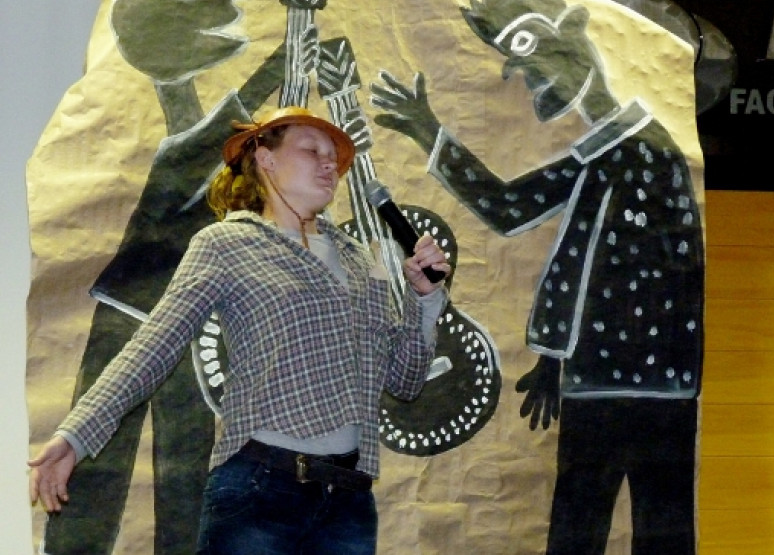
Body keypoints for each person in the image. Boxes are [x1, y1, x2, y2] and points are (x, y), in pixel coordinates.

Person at [29, 105, 451, 555]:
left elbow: (404, 383)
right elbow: (153, 347)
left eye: (335, 156)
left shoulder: (355, 257)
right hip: (259, 490)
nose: (330, 163)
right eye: (312, 149)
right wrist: (75, 435)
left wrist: (423, 300)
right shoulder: (227, 243)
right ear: (265, 159)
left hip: (348, 500)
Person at [369, 0, 704, 553]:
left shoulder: (649, 152)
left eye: (535, 62)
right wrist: (430, 131)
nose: (529, 81)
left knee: (650, 529)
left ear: (579, 47)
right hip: (603, 379)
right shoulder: (605, 153)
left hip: (649, 388)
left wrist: (556, 351)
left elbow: (622, 268)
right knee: (583, 525)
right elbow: (514, 211)